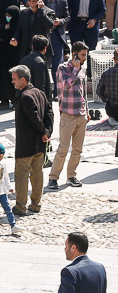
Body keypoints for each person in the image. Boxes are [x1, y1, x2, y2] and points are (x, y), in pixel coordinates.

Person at [11, 64, 52, 217]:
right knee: (37, 175)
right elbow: (49, 113)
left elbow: (34, 117)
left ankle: (21, 207)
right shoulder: (39, 93)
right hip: (39, 144)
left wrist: (43, 131)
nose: (12, 82)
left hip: (26, 144)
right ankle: (36, 205)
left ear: (23, 79)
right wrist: (47, 132)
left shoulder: (25, 96)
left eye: (15, 79)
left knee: (22, 176)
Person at [49, 41, 90, 191]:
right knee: (63, 149)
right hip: (68, 115)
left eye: (85, 55)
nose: (85, 58)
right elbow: (66, 85)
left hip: (81, 115)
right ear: (75, 55)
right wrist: (76, 69)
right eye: (83, 55)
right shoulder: (62, 68)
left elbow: (84, 92)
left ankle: (71, 175)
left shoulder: (83, 69)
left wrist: (87, 110)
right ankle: (53, 178)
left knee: (77, 150)